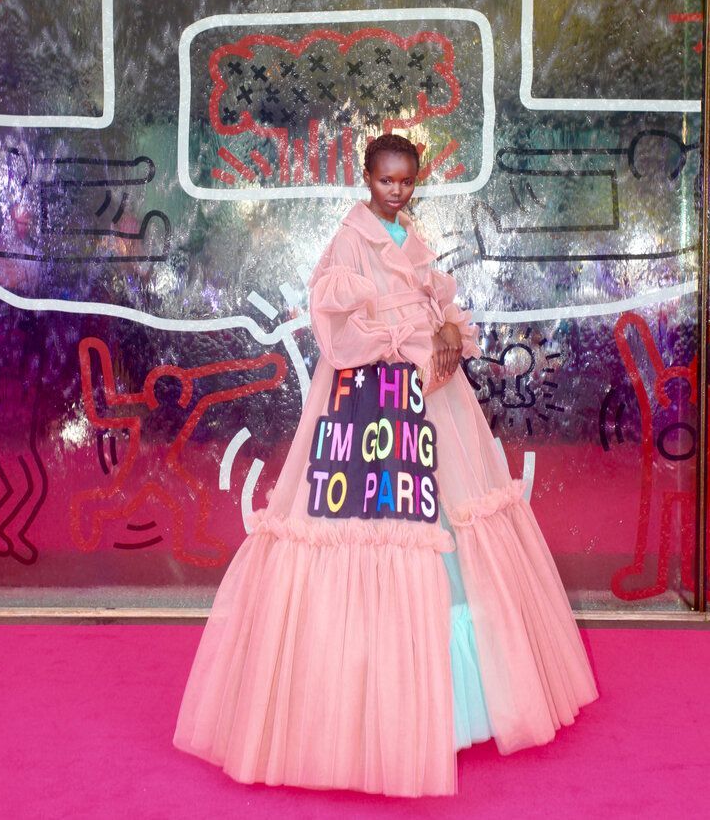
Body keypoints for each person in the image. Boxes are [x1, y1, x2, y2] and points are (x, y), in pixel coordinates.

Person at [173, 133, 599, 797]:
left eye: (406, 182)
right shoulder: (350, 237)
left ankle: (459, 705)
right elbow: (331, 317)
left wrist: (448, 328)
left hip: (432, 385)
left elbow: (435, 295)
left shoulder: (410, 234)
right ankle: (363, 711)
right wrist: (393, 341)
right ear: (366, 177)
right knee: (377, 514)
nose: (396, 191)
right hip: (371, 396)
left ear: (415, 182)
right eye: (386, 181)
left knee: (450, 511)